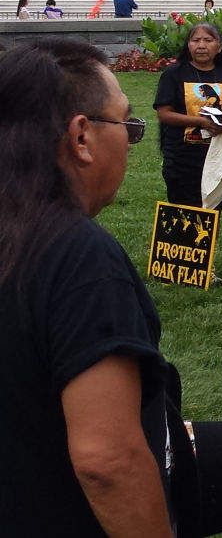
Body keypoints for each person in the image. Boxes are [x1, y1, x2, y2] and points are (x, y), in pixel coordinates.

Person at [0, 40, 175, 535]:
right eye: (128, 126)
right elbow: (107, 461)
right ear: (81, 136)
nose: (131, 140)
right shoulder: (79, 258)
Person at [153, 21, 222, 207]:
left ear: (219, 46)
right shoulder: (174, 74)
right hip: (182, 158)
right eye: (195, 40)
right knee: (183, 212)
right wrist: (201, 122)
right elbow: (164, 114)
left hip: (219, 156)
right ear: (188, 45)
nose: (201, 45)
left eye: (208, 40)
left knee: (212, 211)